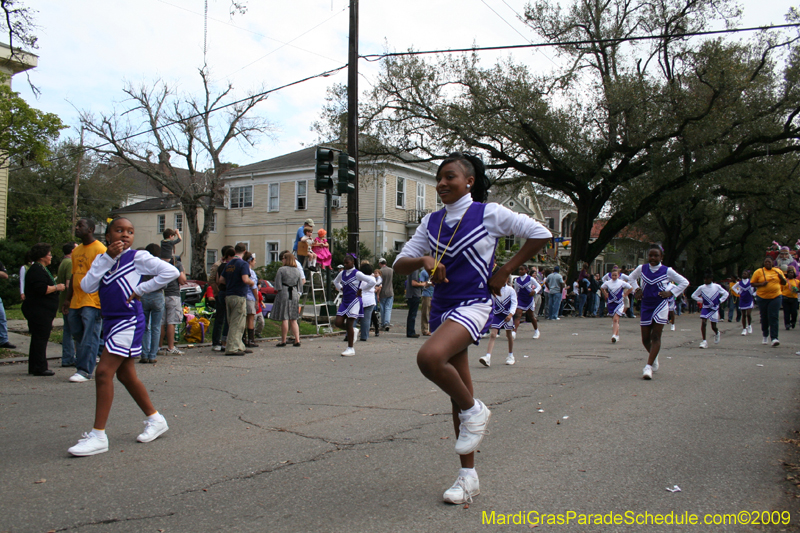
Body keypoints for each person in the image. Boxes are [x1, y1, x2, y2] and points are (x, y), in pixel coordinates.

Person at [393, 152, 551, 505]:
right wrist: (424, 259)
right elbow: (399, 263)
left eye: (450, 176)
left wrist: (505, 269)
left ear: (469, 181)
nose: (442, 183)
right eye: (439, 178)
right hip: (443, 307)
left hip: (474, 305)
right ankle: (468, 477)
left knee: (429, 358)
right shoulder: (431, 222)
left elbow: (541, 233)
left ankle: (475, 409)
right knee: (458, 392)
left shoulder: (488, 213)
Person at [68, 217, 179, 456]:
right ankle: (156, 419)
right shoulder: (102, 259)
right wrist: (107, 258)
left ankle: (98, 436)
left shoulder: (137, 257)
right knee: (126, 375)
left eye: (130, 231)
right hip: (111, 321)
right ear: (108, 236)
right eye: (119, 230)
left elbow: (170, 271)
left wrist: (140, 289)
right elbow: (87, 286)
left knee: (103, 372)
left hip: (128, 320)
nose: (125, 235)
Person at [627, 244, 689, 380]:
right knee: (645, 339)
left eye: (656, 256)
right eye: (650, 255)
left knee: (655, 336)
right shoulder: (642, 268)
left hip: (661, 305)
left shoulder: (667, 271)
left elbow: (684, 282)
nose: (653, 258)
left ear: (661, 257)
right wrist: (637, 289)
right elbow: (630, 278)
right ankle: (654, 357)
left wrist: (671, 292)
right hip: (646, 306)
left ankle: (648, 367)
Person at [63, 218, 106, 383]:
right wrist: (67, 299)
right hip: (76, 300)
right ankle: (98, 354)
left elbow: (105, 277)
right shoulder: (77, 251)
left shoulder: (100, 249)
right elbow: (74, 275)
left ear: (91, 229)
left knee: (90, 335)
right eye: (76, 225)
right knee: (78, 334)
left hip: (92, 300)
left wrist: (104, 302)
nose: (77, 228)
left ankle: (84, 370)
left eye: (81, 226)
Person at [22, 243, 65, 376]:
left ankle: (35, 365)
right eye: (49, 254)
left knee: (39, 338)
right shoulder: (36, 270)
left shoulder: (41, 269)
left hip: (43, 310)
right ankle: (39, 367)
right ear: (42, 257)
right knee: (40, 338)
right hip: (39, 311)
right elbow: (42, 289)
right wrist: (57, 287)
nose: (51, 257)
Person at [333, 254, 376, 356]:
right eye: (344, 263)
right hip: (345, 301)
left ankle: (350, 348)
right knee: (338, 322)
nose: (345, 265)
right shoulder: (342, 273)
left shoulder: (357, 273)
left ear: (352, 262)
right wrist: (341, 288)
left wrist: (362, 289)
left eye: (347, 263)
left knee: (349, 323)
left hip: (354, 301)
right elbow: (336, 281)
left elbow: (372, 281)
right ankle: (353, 330)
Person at [223, 243, 256, 356]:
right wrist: (252, 283)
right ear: (244, 251)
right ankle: (232, 348)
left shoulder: (229, 264)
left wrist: (231, 282)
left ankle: (240, 345)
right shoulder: (243, 264)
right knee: (237, 323)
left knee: (233, 322)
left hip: (229, 295)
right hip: (239, 295)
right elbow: (245, 279)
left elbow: (221, 280)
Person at [480, 273, 517, 366]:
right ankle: (488, 357)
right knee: (493, 334)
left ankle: (510, 355)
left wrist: (511, 314)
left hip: (507, 315)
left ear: (507, 279)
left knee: (509, 335)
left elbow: (514, 303)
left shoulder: (511, 290)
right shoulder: (494, 290)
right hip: (497, 314)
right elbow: (491, 302)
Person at [751, 256, 787, 346]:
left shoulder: (778, 271)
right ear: (764, 263)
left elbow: (784, 283)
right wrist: (761, 284)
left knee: (773, 316)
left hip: (776, 296)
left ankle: (774, 338)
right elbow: (752, 283)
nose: (767, 263)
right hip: (762, 297)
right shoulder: (758, 272)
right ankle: (765, 334)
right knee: (764, 317)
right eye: (766, 262)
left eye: (769, 262)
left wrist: (781, 278)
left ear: (772, 263)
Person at [140, 244, 165, 364]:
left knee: (144, 326)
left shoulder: (142, 265)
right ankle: (152, 355)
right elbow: (165, 282)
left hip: (144, 295)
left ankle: (144, 354)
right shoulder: (160, 265)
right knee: (156, 327)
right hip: (157, 295)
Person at [691, 269, 728, 349]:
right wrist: (702, 301)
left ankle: (717, 332)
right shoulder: (701, 287)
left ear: (711, 279)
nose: (705, 280)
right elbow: (693, 295)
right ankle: (704, 341)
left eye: (707, 279)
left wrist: (720, 301)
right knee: (703, 322)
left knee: (713, 326)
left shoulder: (716, 286)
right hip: (706, 307)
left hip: (714, 308)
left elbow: (726, 293)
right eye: (704, 279)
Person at [273, 253, 304, 347]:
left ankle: (283, 340)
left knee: (285, 317)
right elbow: (300, 286)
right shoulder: (297, 271)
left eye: (283, 258)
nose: (282, 260)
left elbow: (277, 285)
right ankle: (297, 340)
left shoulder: (281, 270)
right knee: (293, 318)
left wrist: (278, 290)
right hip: (294, 292)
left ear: (286, 259)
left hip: (284, 292)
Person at [159, 255, 186, 356]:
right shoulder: (176, 264)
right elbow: (182, 281)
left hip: (161, 294)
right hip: (173, 295)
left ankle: (158, 346)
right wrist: (182, 270)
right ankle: (171, 347)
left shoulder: (159, 263)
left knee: (161, 322)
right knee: (171, 322)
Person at [211, 246, 235, 352]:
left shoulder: (222, 265)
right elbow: (213, 280)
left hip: (222, 292)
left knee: (224, 318)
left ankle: (222, 341)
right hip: (222, 292)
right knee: (221, 318)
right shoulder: (218, 265)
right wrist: (216, 292)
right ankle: (217, 341)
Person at [600, 268, 633, 343]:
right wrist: (606, 294)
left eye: (615, 275)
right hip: (611, 303)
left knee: (615, 319)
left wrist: (625, 294)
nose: (614, 277)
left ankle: (614, 335)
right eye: (613, 275)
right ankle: (616, 336)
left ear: (618, 275)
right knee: (615, 320)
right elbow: (602, 288)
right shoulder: (608, 283)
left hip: (619, 303)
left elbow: (630, 288)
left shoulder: (621, 282)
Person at [56, 243, 76, 364]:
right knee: (72, 331)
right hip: (70, 303)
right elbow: (69, 284)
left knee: (68, 330)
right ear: (73, 251)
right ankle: (69, 357)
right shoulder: (70, 263)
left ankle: (67, 357)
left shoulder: (63, 262)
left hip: (64, 300)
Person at [513, 264, 541, 339]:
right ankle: (514, 332)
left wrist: (534, 291)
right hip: (520, 299)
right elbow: (516, 290)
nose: (520, 271)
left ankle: (536, 330)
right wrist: (515, 299)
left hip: (529, 299)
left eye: (522, 269)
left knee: (531, 316)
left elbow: (539, 286)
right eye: (519, 269)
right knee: (518, 315)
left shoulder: (530, 278)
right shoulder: (516, 280)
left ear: (526, 270)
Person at [243, 252, 259, 348]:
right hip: (250, 297)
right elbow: (253, 286)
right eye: (254, 260)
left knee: (243, 319)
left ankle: (243, 338)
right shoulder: (251, 272)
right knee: (250, 319)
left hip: (243, 296)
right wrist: (257, 298)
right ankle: (251, 339)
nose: (255, 262)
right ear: (250, 261)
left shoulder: (242, 270)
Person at [358, 263, 378, 341]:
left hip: (360, 299)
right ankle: (364, 336)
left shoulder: (360, 279)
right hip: (370, 300)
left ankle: (349, 334)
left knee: (354, 318)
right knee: (366, 319)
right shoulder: (372, 278)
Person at [731, 270, 754, 335]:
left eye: (745, 273)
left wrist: (754, 293)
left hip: (749, 299)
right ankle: (744, 329)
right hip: (742, 299)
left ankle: (749, 325)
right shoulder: (739, 283)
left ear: (748, 275)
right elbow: (733, 287)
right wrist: (738, 292)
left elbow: (756, 288)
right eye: (743, 273)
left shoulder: (751, 281)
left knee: (748, 314)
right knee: (743, 315)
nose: (744, 274)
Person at [405, 267, 424, 338]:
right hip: (414, 294)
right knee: (413, 314)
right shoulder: (415, 270)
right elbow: (414, 283)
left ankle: (410, 331)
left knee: (411, 314)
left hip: (411, 294)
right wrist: (423, 284)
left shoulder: (412, 269)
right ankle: (411, 332)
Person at [378, 258, 394, 330]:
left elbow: (379, 283)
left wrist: (377, 294)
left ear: (380, 263)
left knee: (382, 308)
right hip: (390, 291)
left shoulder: (380, 271)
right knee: (388, 308)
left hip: (382, 292)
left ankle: (383, 323)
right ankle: (387, 323)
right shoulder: (391, 270)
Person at [419, 267, 434, 336]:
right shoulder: (423, 272)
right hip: (426, 294)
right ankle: (425, 329)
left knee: (433, 312)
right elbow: (422, 283)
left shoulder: (434, 272)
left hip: (434, 294)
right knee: (425, 312)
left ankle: (432, 329)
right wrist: (428, 283)